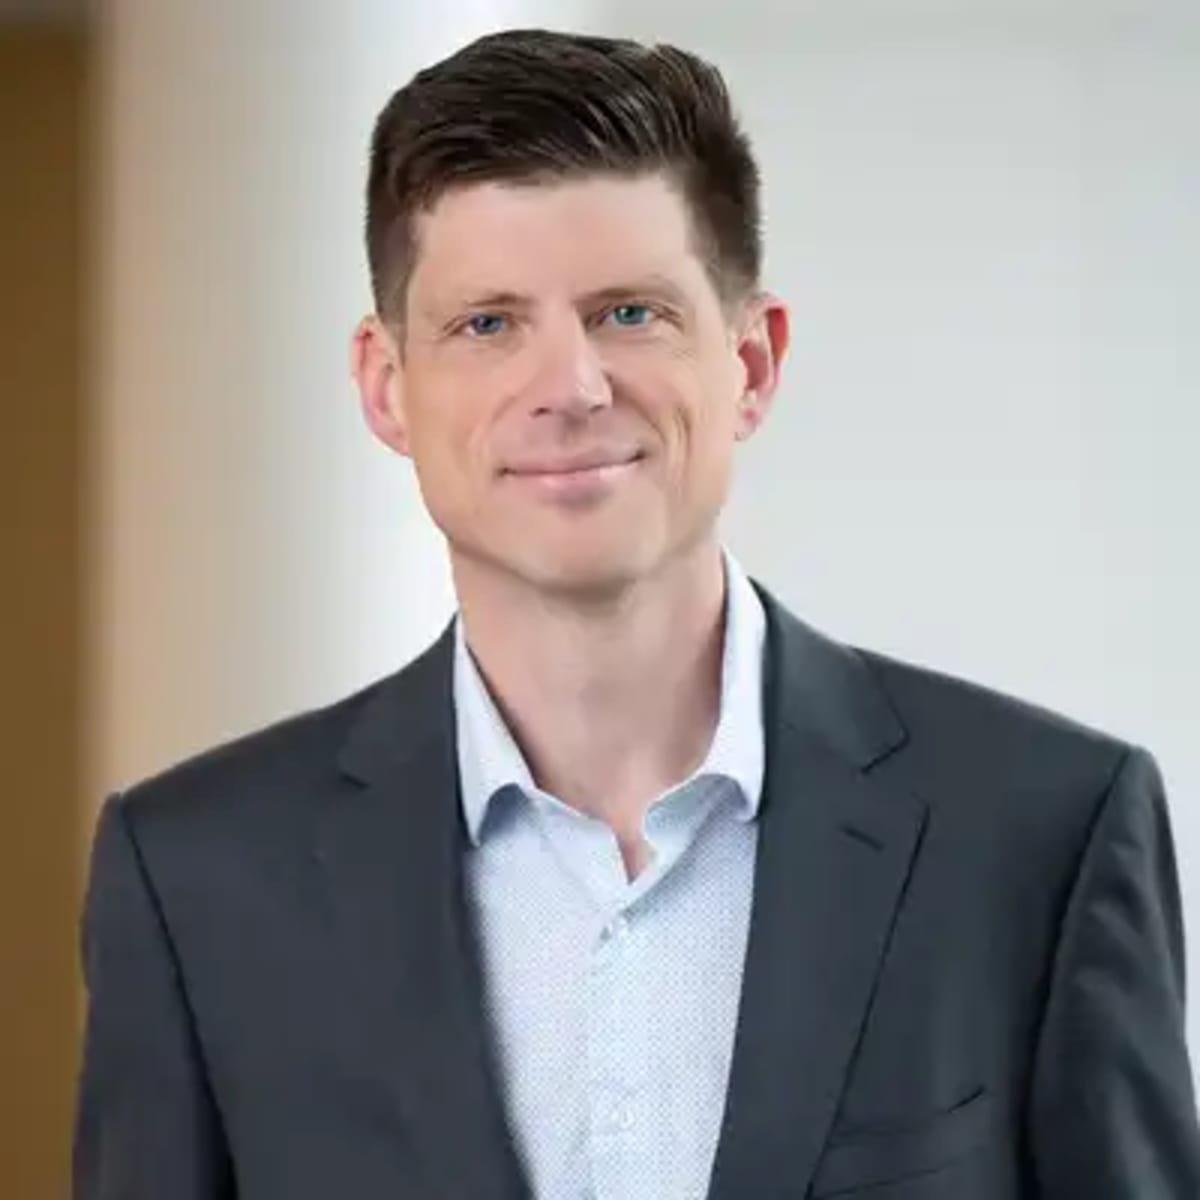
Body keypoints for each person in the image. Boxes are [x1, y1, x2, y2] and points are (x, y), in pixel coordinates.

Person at [73, 27, 1199, 1200]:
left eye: (628, 313)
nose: (567, 388)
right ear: (384, 386)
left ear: (752, 362)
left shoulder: (1041, 834)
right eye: (487, 323)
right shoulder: (198, 879)